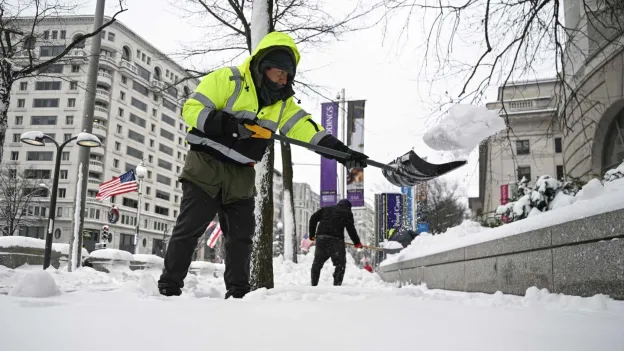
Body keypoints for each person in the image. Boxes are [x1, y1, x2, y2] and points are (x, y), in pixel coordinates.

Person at [158, 31, 368, 298]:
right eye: (279, 72)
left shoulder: (283, 104)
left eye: (288, 74)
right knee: (190, 229)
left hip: (243, 172)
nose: (284, 78)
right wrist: (231, 126)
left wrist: (343, 153)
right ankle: (169, 286)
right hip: (206, 165)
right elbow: (191, 110)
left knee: (241, 238)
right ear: (263, 66)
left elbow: (308, 130)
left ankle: (238, 293)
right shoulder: (227, 79)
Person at [308, 199, 363, 286]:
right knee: (340, 264)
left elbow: (313, 218)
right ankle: (337, 286)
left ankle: (314, 285)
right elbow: (351, 229)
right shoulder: (347, 213)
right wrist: (357, 243)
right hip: (336, 241)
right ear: (348, 207)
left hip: (321, 239)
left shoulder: (326, 209)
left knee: (317, 263)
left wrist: (312, 234)